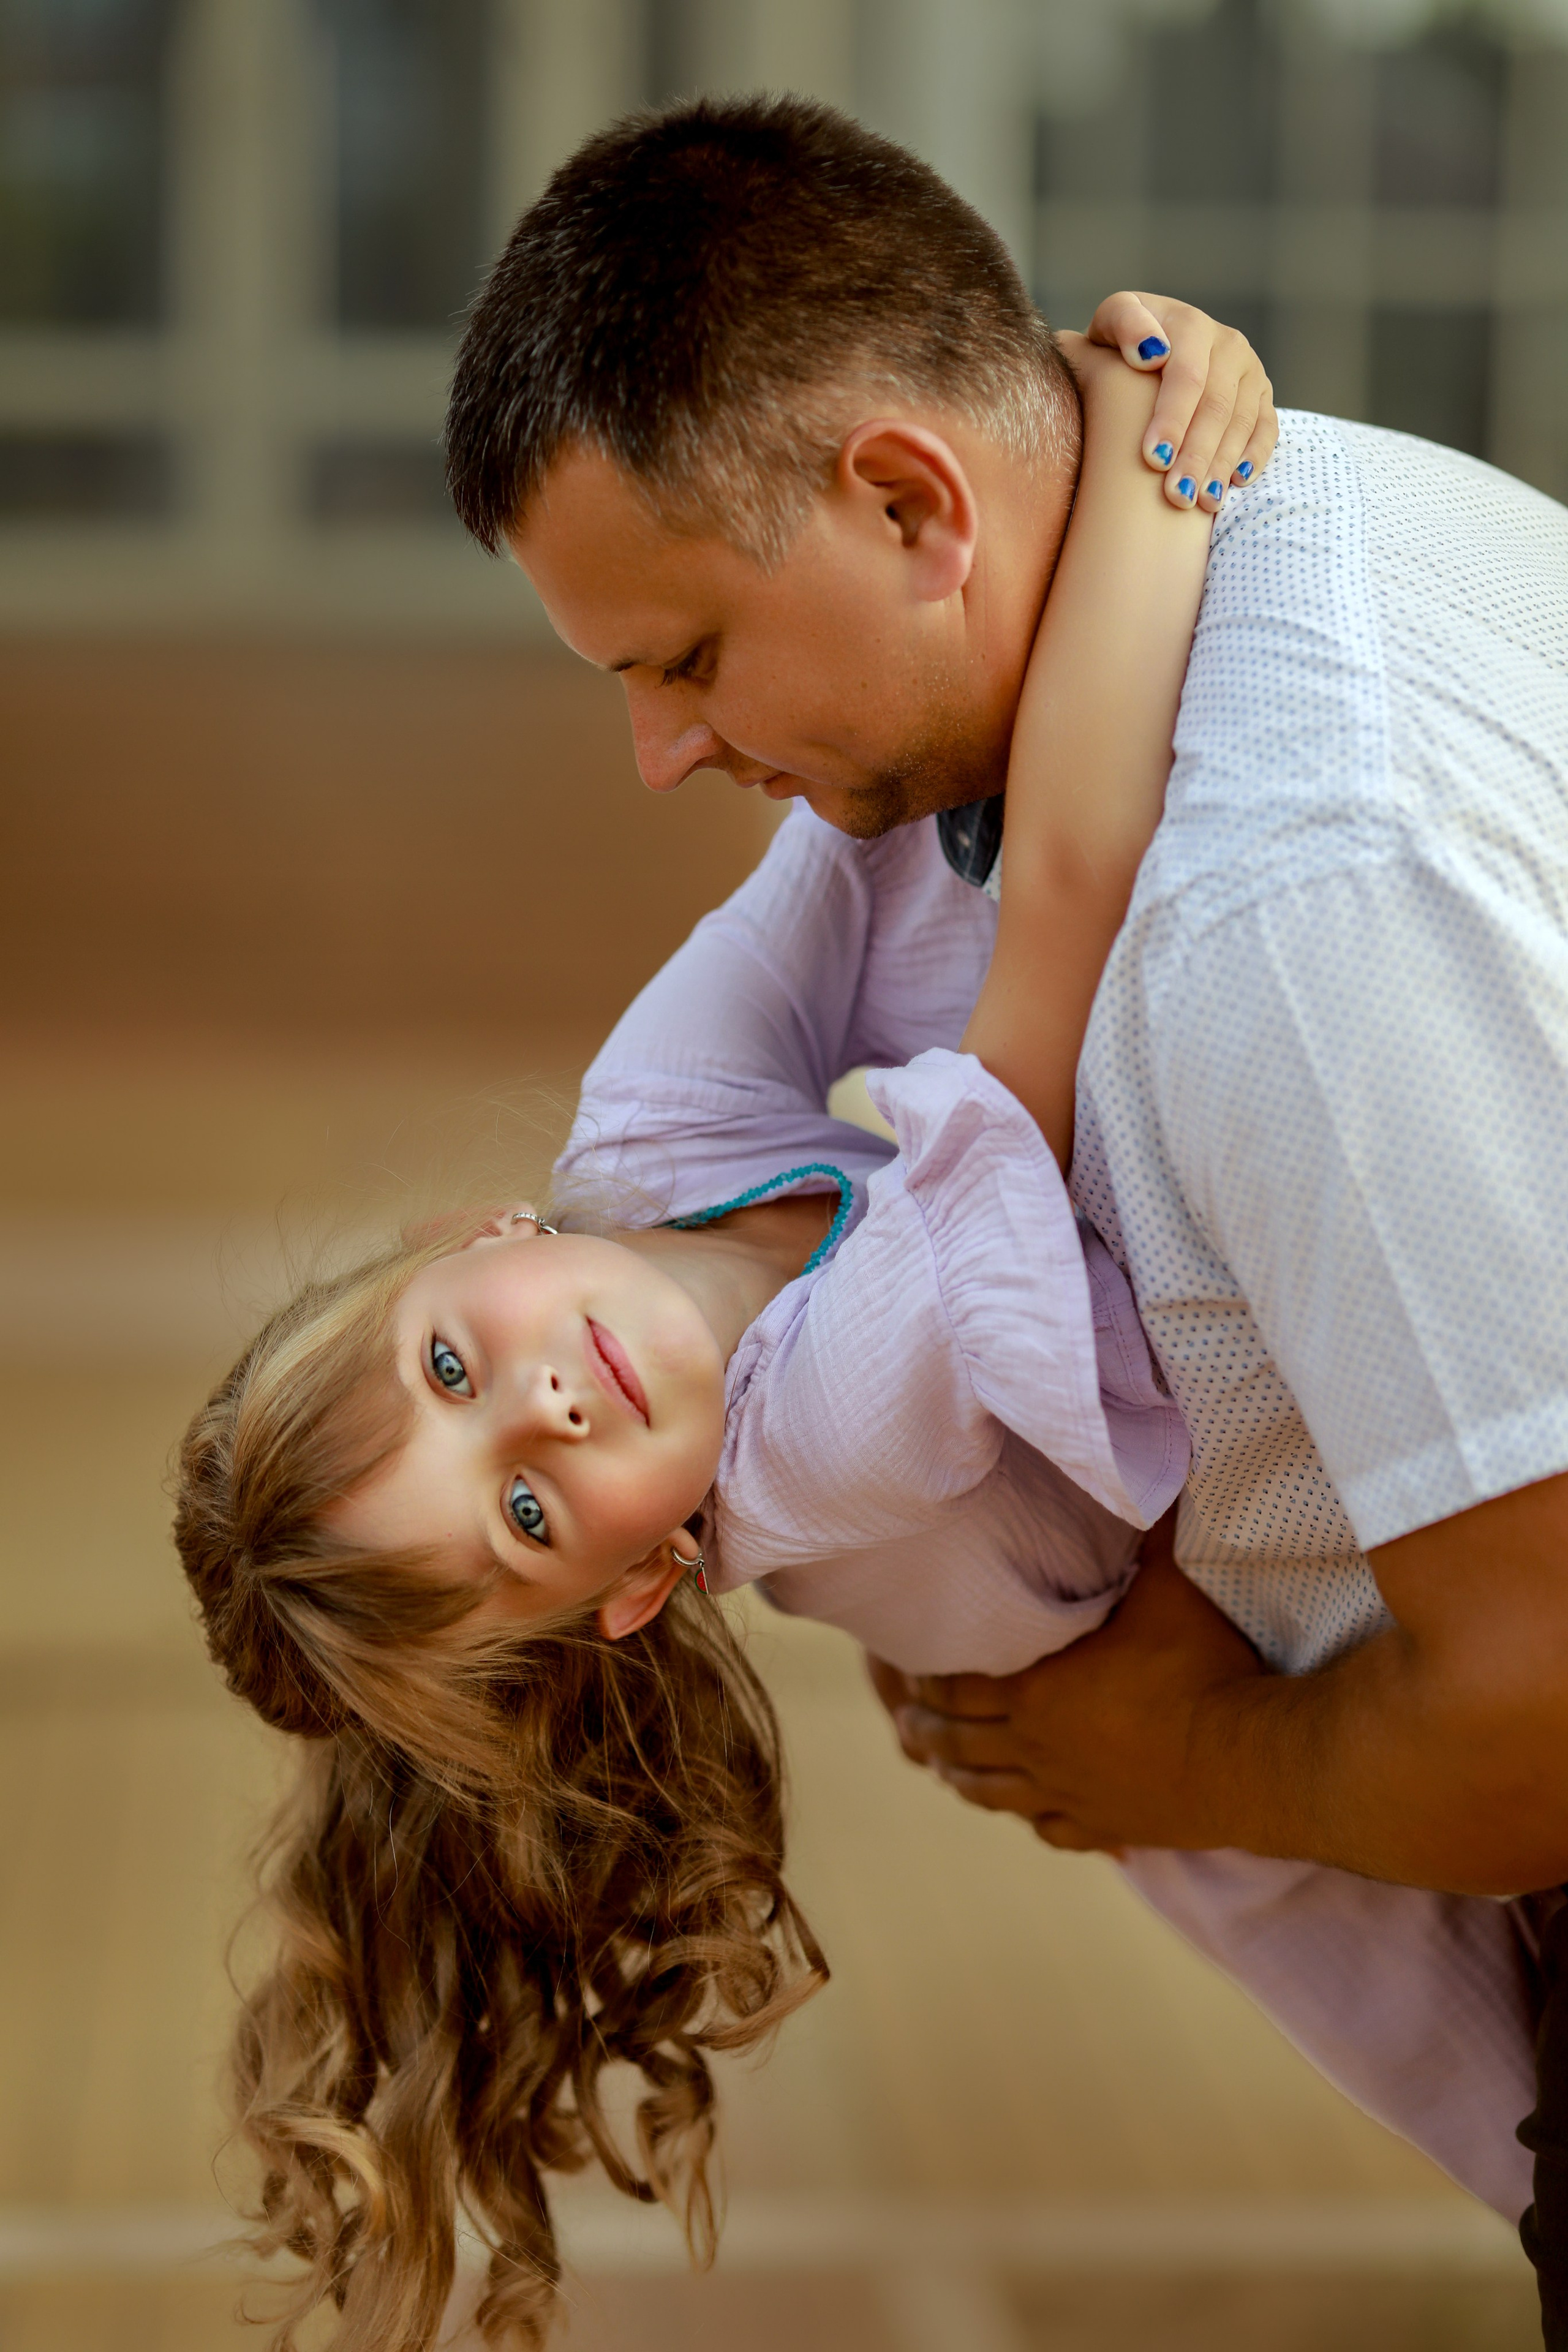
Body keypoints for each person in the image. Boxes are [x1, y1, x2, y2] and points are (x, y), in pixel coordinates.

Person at [443, 94, 1568, 2327]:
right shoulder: (1276, 499)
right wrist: (1128, 382)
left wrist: (1177, 1762)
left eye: (683, 660)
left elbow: (1546, 1709)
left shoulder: (1283, 910)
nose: (662, 752)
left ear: (907, 498)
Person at [173, 339, 1252, 2352]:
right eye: (523, 1507)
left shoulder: (637, 1140)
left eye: (451, 1368)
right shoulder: (818, 1443)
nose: (555, 1405)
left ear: (469, 1237)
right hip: (1248, 1770)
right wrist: (1135, 466)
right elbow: (1069, 898)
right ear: (647, 1579)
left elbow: (849, 815)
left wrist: (1005, 412)